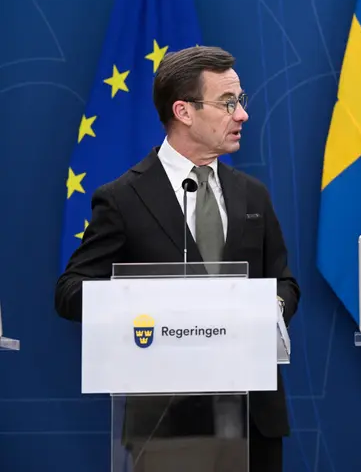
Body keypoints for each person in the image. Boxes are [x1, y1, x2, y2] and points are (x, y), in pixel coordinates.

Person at [55, 46, 300, 472]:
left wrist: (269, 308)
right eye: (228, 103)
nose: (242, 115)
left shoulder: (252, 195)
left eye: (240, 101)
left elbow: (284, 282)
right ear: (184, 111)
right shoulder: (123, 199)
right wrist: (149, 307)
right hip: (167, 423)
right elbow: (70, 292)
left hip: (253, 418)